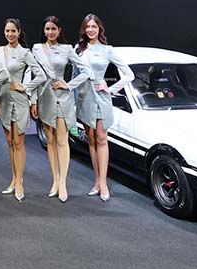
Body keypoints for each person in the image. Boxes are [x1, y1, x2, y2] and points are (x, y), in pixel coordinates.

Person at [72, 13, 133, 201]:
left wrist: (110, 88)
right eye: (87, 27)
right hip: (84, 98)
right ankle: (97, 181)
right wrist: (73, 102)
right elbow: (74, 76)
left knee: (101, 138)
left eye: (94, 26)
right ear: (84, 30)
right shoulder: (78, 49)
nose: (90, 30)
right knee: (90, 139)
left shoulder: (108, 50)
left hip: (101, 98)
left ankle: (104, 183)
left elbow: (129, 75)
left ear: (99, 29)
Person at [0, 17, 47, 201]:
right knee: (9, 141)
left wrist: (25, 87)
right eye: (7, 31)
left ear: (19, 32)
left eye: (13, 31)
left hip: (20, 101)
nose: (10, 34)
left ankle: (20, 182)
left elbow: (40, 75)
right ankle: (14, 179)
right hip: (4, 100)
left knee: (18, 142)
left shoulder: (24, 52)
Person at [30, 15, 84, 202]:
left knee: (62, 140)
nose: (50, 32)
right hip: (45, 98)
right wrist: (33, 100)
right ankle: (55, 179)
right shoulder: (37, 48)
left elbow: (86, 71)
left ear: (59, 30)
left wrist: (68, 85)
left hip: (62, 99)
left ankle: (63, 182)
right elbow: (33, 75)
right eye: (47, 29)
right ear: (44, 31)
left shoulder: (67, 49)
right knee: (50, 141)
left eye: (54, 28)